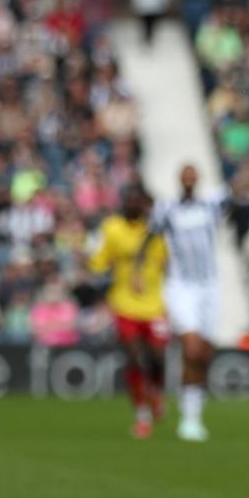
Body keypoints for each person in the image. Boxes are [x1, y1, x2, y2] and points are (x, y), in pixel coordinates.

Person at [147, 164, 232, 442]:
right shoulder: (166, 208)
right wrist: (143, 272)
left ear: (198, 179)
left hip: (210, 284)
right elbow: (149, 239)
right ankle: (188, 418)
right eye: (184, 174)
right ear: (179, 179)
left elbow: (241, 188)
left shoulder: (211, 204)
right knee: (191, 348)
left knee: (204, 353)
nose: (189, 178)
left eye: (193, 174)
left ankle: (194, 411)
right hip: (182, 285)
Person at [88, 184, 168, 439]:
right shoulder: (112, 228)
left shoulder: (156, 232)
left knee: (157, 358)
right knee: (134, 358)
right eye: (129, 200)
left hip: (155, 304)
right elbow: (98, 261)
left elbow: (168, 263)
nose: (133, 205)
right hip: (124, 304)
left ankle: (155, 392)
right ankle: (142, 415)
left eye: (138, 201)